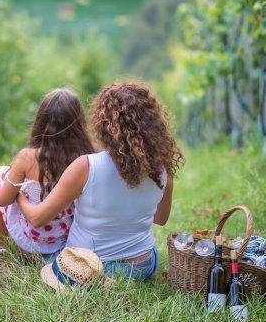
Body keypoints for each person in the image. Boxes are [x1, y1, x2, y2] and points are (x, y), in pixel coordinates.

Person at [16, 82, 184, 280]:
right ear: (153, 123)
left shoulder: (86, 166)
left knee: (40, 252)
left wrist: (19, 196)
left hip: (86, 268)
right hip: (142, 266)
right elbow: (160, 219)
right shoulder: (162, 171)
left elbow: (37, 218)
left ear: (104, 124)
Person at [0, 88, 95, 261]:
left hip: (29, 243)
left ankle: (1, 245)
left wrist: (19, 193)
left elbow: (3, 200)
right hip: (65, 241)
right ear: (79, 124)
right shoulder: (85, 159)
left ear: (40, 120)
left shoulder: (28, 157)